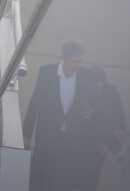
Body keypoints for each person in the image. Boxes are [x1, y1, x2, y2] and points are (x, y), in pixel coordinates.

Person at [22, 41, 96, 191]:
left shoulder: (86, 76)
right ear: (64, 57)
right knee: (42, 176)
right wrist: (26, 134)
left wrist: (91, 111)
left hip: (71, 137)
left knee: (63, 178)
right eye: (74, 61)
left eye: (79, 61)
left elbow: (97, 104)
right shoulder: (47, 73)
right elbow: (35, 104)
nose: (77, 65)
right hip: (47, 135)